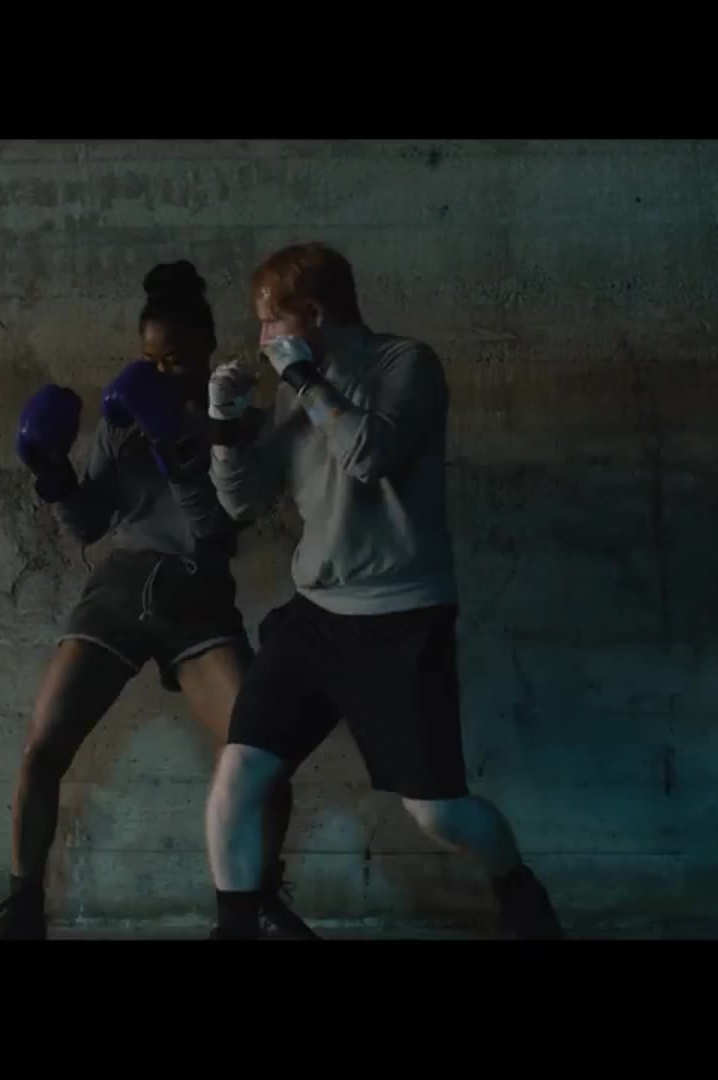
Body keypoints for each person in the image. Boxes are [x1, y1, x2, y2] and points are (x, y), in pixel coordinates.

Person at [200, 242, 565, 940]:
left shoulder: (407, 364)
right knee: (238, 776)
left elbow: (370, 455)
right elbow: (242, 501)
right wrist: (223, 426)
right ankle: (236, 929)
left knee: (437, 813)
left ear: (313, 313)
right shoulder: (295, 386)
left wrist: (306, 380)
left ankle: (516, 887)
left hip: (401, 620)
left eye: (273, 320)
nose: (262, 337)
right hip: (314, 618)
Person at [0, 260, 316, 940]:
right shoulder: (124, 420)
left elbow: (219, 532)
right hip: (118, 589)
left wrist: (182, 451)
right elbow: (90, 524)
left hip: (197, 597)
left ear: (206, 347)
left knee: (261, 756)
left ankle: (260, 901)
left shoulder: (239, 423)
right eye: (149, 362)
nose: (161, 374)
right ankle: (22, 909)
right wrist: (53, 475)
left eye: (174, 360)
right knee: (42, 748)